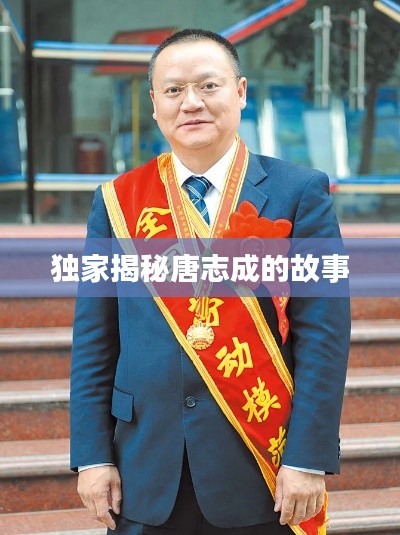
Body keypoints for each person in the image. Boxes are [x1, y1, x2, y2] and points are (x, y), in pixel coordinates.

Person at [70, 28, 351, 535]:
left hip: (260, 463)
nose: (191, 103)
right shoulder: (118, 201)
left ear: (240, 92)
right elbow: (95, 337)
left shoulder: (298, 193)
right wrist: (92, 455)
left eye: (208, 85)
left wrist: (308, 458)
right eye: (173, 90)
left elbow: (324, 337)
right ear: (154, 103)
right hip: (144, 468)